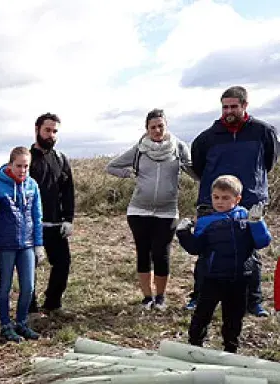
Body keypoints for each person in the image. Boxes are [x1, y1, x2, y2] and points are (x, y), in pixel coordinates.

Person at [189, 86, 279, 316]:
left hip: (250, 201)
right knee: (207, 250)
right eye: (225, 106)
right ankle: (198, 296)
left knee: (251, 253)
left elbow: (268, 163)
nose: (228, 111)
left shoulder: (263, 132)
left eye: (233, 106)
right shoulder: (207, 138)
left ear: (245, 105)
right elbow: (199, 167)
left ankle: (253, 301)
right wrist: (218, 191)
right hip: (213, 202)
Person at [106, 109, 195, 310]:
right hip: (138, 211)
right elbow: (111, 167)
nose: (156, 130)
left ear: (166, 126)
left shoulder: (179, 147)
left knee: (161, 254)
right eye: (152, 127)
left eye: (160, 126)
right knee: (143, 254)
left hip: (167, 211)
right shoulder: (139, 149)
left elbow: (194, 171)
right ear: (146, 129)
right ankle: (147, 298)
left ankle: (160, 298)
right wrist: (130, 174)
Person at [176, 175, 271, 353]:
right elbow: (195, 248)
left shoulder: (246, 217)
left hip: (240, 278)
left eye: (226, 198)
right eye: (216, 197)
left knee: (234, 318)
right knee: (202, 314)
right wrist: (183, 233)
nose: (219, 202)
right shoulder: (206, 221)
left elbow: (262, 242)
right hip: (212, 278)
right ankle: (194, 347)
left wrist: (257, 223)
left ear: (237, 199)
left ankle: (230, 349)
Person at [0, 147, 44, 343]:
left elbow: (37, 216)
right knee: (5, 285)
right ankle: (6, 324)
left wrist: (39, 244)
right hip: (5, 244)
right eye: (19, 166)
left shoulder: (33, 186)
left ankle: (22, 322)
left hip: (27, 244)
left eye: (26, 166)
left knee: (28, 287)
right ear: (10, 165)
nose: (22, 170)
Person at [29, 113, 75, 316]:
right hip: (31, 226)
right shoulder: (26, 159)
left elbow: (68, 190)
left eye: (55, 131)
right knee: (29, 268)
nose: (51, 135)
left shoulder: (60, 159)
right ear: (37, 129)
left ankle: (53, 304)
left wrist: (68, 219)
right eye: (47, 130)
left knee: (63, 263)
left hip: (56, 225)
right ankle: (29, 309)